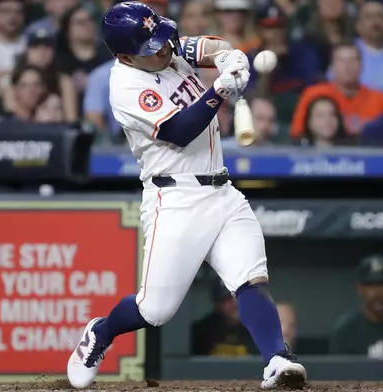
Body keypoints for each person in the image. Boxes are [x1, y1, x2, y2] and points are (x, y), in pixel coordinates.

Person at [66, 2, 306, 390]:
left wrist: (228, 56)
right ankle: (102, 332)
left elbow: (200, 47)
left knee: (250, 278)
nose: (162, 50)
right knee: (155, 310)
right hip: (175, 200)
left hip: (222, 191)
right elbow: (180, 130)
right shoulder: (125, 87)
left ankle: (277, 358)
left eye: (160, 40)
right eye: (150, 48)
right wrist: (221, 89)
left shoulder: (161, 44)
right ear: (125, 55)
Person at [191, 278, 258, 357]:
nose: (235, 302)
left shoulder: (259, 329)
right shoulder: (201, 332)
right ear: (217, 303)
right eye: (228, 298)